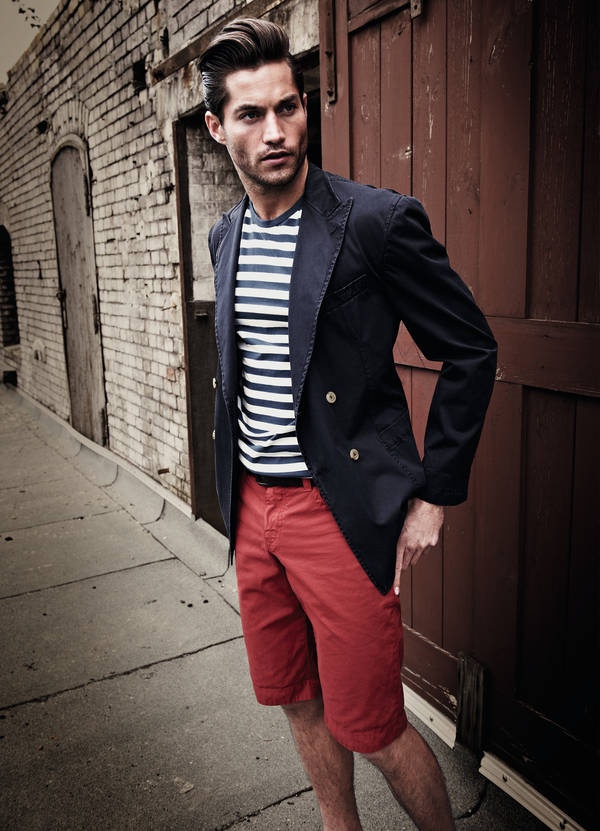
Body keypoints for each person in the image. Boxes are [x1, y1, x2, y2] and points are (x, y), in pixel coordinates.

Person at [200, 17, 497, 831]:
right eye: (252, 114)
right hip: (252, 509)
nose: (276, 131)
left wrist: (436, 493)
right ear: (217, 127)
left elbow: (471, 348)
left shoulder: (373, 221)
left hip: (336, 509)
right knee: (296, 698)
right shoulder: (225, 235)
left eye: (288, 107)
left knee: (373, 725)